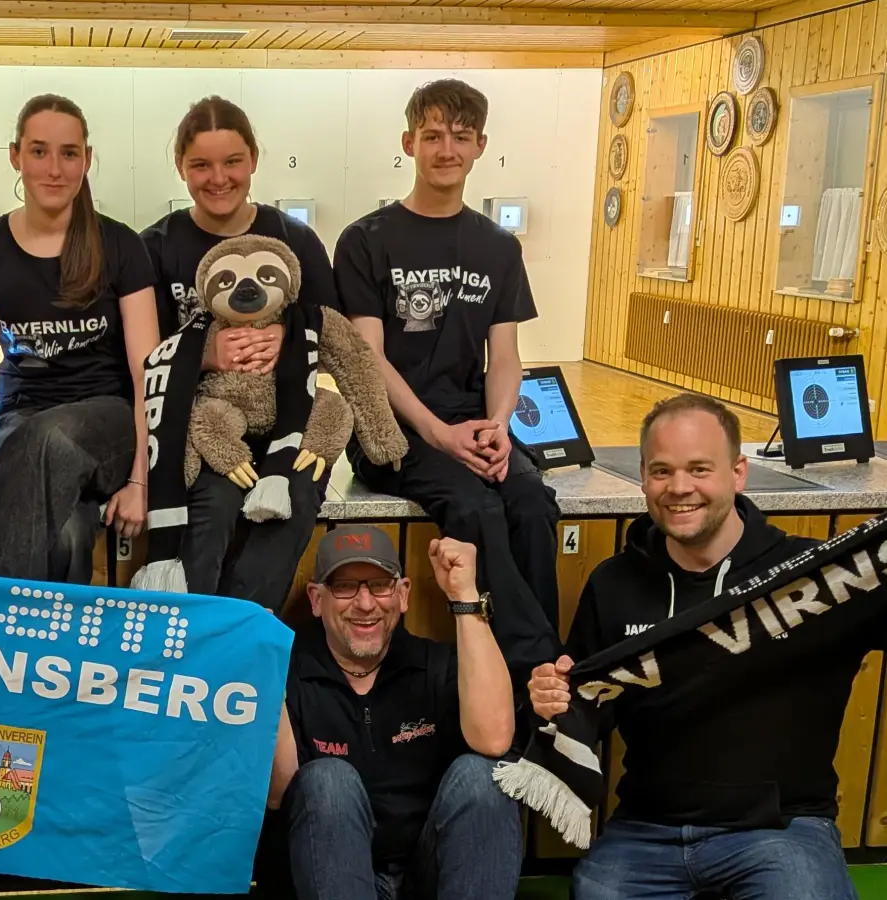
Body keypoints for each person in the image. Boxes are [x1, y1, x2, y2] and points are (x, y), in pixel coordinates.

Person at [529, 394, 863, 900]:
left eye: (699, 469)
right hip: (645, 832)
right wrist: (557, 700)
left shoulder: (817, 577)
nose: (679, 488)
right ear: (642, 476)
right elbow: (591, 709)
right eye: (662, 471)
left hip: (782, 831)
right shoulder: (614, 583)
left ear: (738, 472)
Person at [333, 78, 559, 673]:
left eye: (461, 136)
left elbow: (505, 356)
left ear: (480, 145)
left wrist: (498, 426)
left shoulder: (498, 248)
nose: (446, 149)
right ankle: (537, 665)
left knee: (532, 502)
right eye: (432, 135)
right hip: (392, 433)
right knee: (475, 508)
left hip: (471, 423)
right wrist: (439, 435)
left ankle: (539, 667)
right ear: (409, 142)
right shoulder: (365, 240)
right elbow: (367, 361)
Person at [139, 95, 342, 610]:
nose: (218, 178)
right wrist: (205, 353)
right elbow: (145, 355)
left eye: (232, 162)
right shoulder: (157, 246)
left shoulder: (294, 239)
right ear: (180, 167)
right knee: (211, 509)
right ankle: (186, 639)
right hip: (205, 425)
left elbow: (332, 331)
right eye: (200, 165)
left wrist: (288, 337)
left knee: (292, 504)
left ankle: (237, 636)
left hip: (288, 424)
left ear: (253, 159)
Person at [0, 94, 159, 583]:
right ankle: (54, 653)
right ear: (15, 156)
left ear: (86, 159)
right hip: (20, 422)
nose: (54, 168)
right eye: (39, 151)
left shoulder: (120, 245)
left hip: (106, 422)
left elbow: (147, 374)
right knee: (66, 535)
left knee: (48, 438)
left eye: (69, 153)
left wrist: (140, 480)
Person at [269, 526, 519, 900]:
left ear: (402, 595)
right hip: (328, 877)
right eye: (344, 587)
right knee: (327, 781)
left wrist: (464, 596)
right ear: (316, 599)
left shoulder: (435, 664)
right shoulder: (288, 672)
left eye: (380, 586)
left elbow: (495, 739)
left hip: (427, 872)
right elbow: (277, 795)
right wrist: (261, 666)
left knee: (485, 777)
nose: (366, 604)